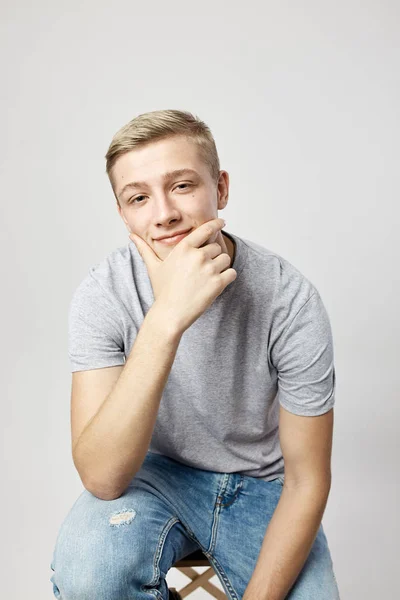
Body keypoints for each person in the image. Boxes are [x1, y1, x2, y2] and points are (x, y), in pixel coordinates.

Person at [50, 109, 340, 599]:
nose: (163, 213)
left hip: (262, 489)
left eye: (182, 185)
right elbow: (102, 476)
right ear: (123, 214)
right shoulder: (104, 293)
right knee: (89, 571)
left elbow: (308, 481)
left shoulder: (290, 300)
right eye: (138, 197)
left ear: (221, 188)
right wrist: (167, 319)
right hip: (154, 481)